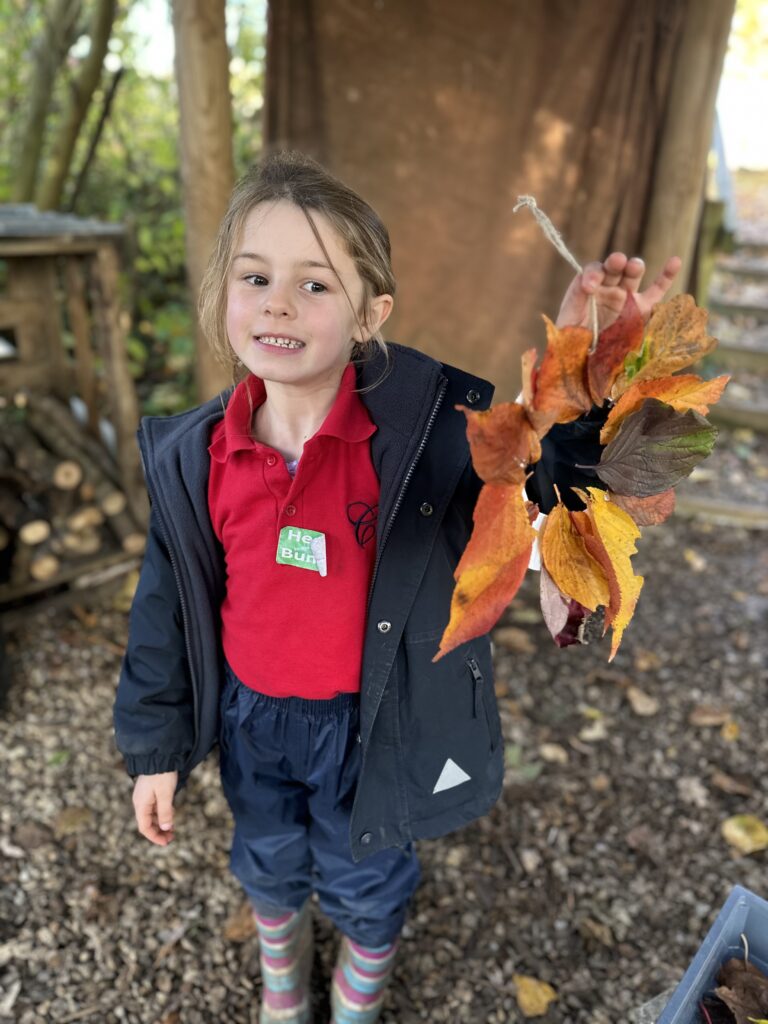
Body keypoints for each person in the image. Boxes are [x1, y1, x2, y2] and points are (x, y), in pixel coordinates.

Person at [113, 151, 680, 1024]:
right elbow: (165, 606)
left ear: (371, 314)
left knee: (366, 870)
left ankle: (359, 984)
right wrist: (156, 747)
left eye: (315, 286)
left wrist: (574, 372)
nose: (276, 303)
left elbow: (536, 489)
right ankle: (282, 967)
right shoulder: (198, 457)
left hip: (371, 727)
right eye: (256, 277)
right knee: (266, 854)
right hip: (251, 718)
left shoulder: (424, 452)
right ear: (224, 291)